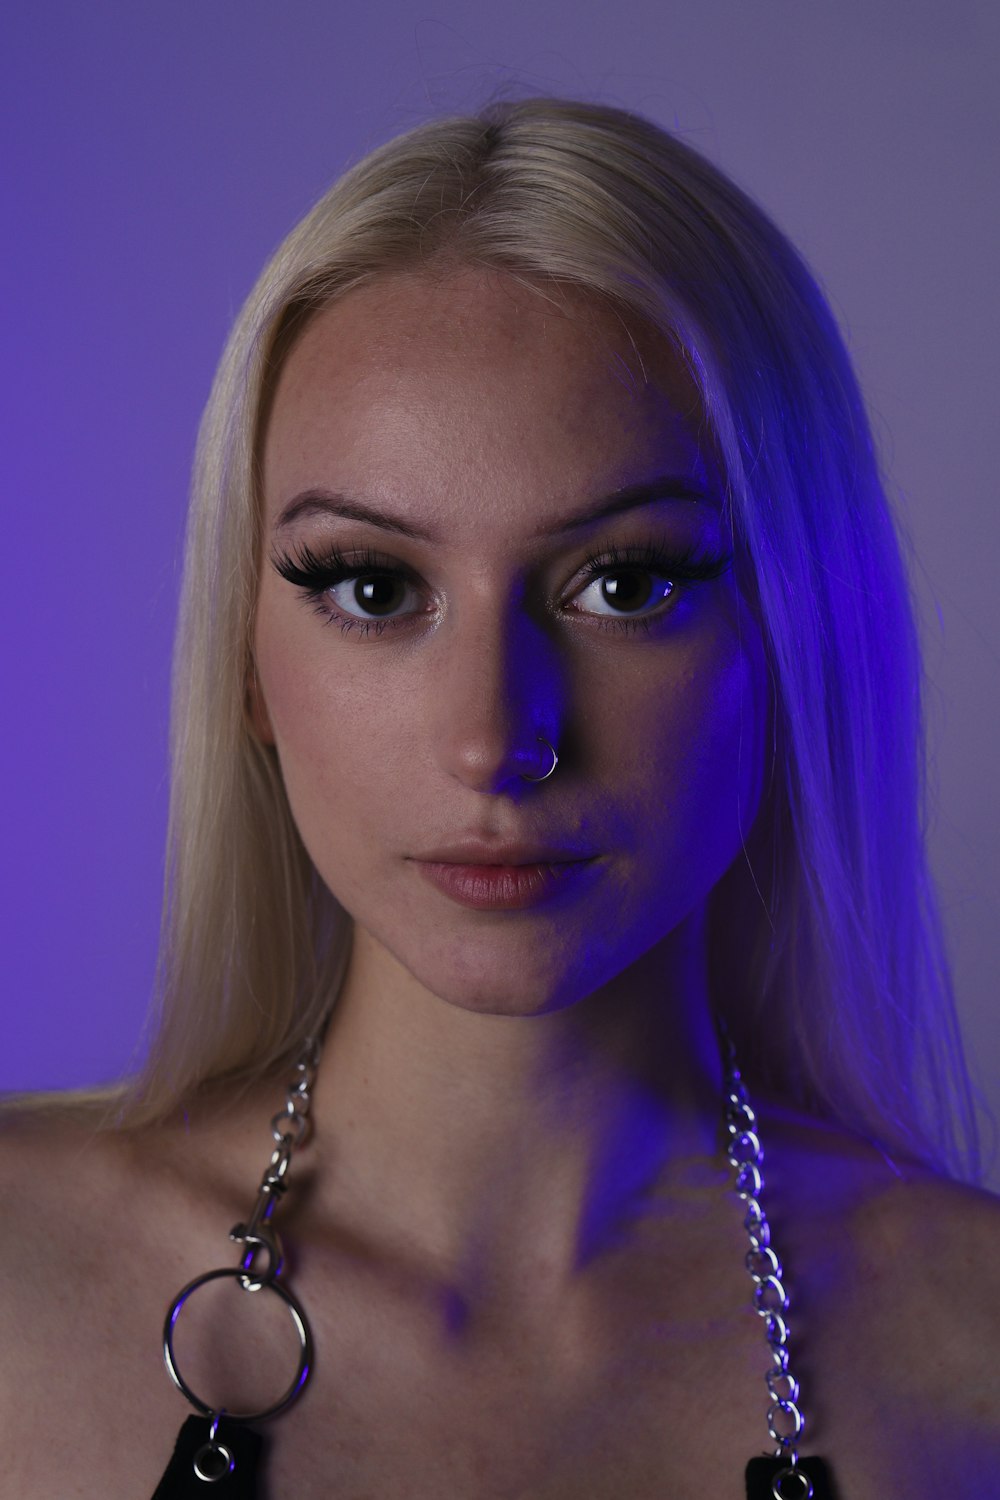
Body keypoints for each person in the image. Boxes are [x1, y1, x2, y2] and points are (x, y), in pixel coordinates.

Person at [1, 96, 997, 1499]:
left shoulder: (974, 1351)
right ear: (243, 665)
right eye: (372, 586)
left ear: (796, 639)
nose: (498, 740)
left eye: (626, 584)